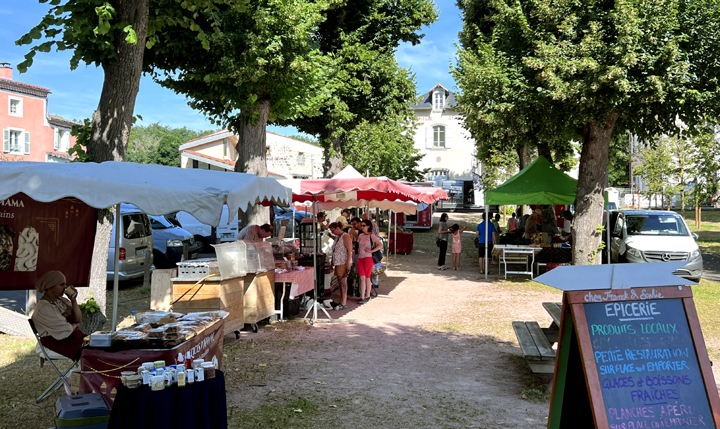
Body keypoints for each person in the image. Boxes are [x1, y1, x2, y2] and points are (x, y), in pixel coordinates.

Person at [31, 271, 85, 360]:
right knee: (89, 352)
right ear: (50, 286)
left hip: (70, 339)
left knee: (97, 346)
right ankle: (81, 373)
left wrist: (73, 300)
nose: (65, 287)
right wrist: (75, 325)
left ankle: (81, 372)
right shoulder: (44, 308)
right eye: (62, 284)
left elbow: (78, 319)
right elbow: (66, 330)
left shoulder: (61, 300)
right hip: (55, 343)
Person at [356, 219, 383, 304]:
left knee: (367, 277)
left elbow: (380, 245)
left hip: (368, 258)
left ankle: (367, 295)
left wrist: (372, 251)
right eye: (361, 225)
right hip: (360, 258)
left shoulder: (372, 236)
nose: (362, 227)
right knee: (362, 277)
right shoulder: (360, 235)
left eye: (364, 225)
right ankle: (362, 296)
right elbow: (358, 246)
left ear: (368, 226)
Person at [328, 222, 352, 309]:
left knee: (342, 282)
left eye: (333, 230)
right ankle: (342, 300)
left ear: (338, 228)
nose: (332, 232)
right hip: (338, 262)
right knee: (340, 281)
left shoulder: (345, 236)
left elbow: (350, 250)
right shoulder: (338, 237)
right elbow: (334, 251)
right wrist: (332, 262)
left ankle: (343, 302)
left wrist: (348, 262)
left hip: (343, 262)